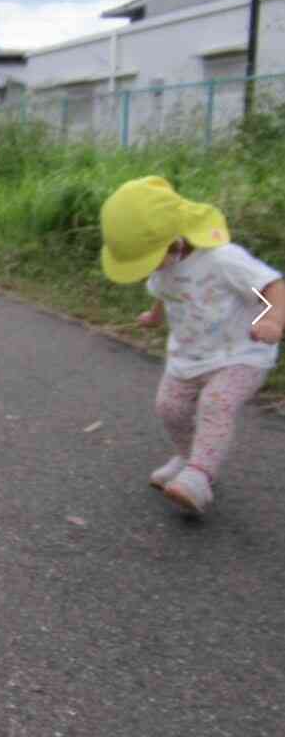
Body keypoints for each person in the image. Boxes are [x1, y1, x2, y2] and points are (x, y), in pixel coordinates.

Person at [100, 176, 284, 515]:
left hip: (242, 352)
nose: (147, 269)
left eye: (148, 259)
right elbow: (165, 292)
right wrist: (154, 316)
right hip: (189, 354)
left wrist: (273, 318)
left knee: (216, 403)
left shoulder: (223, 260)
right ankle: (188, 457)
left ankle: (200, 474)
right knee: (169, 408)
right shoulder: (163, 266)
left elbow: (268, 287)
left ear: (174, 242)